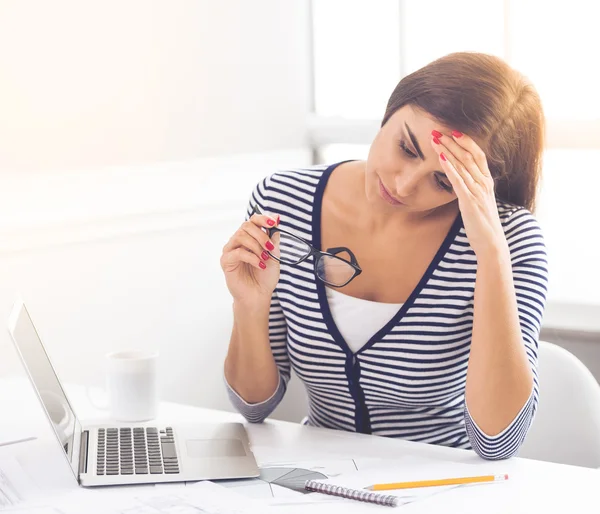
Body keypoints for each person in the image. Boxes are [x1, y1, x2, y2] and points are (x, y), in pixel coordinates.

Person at [220, 52, 548, 460]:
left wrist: (492, 255)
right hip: (323, 484)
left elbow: (498, 443)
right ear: (390, 110)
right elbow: (255, 406)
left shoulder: (510, 238)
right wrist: (250, 306)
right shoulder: (282, 202)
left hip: (449, 486)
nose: (406, 184)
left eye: (445, 181)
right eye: (407, 148)